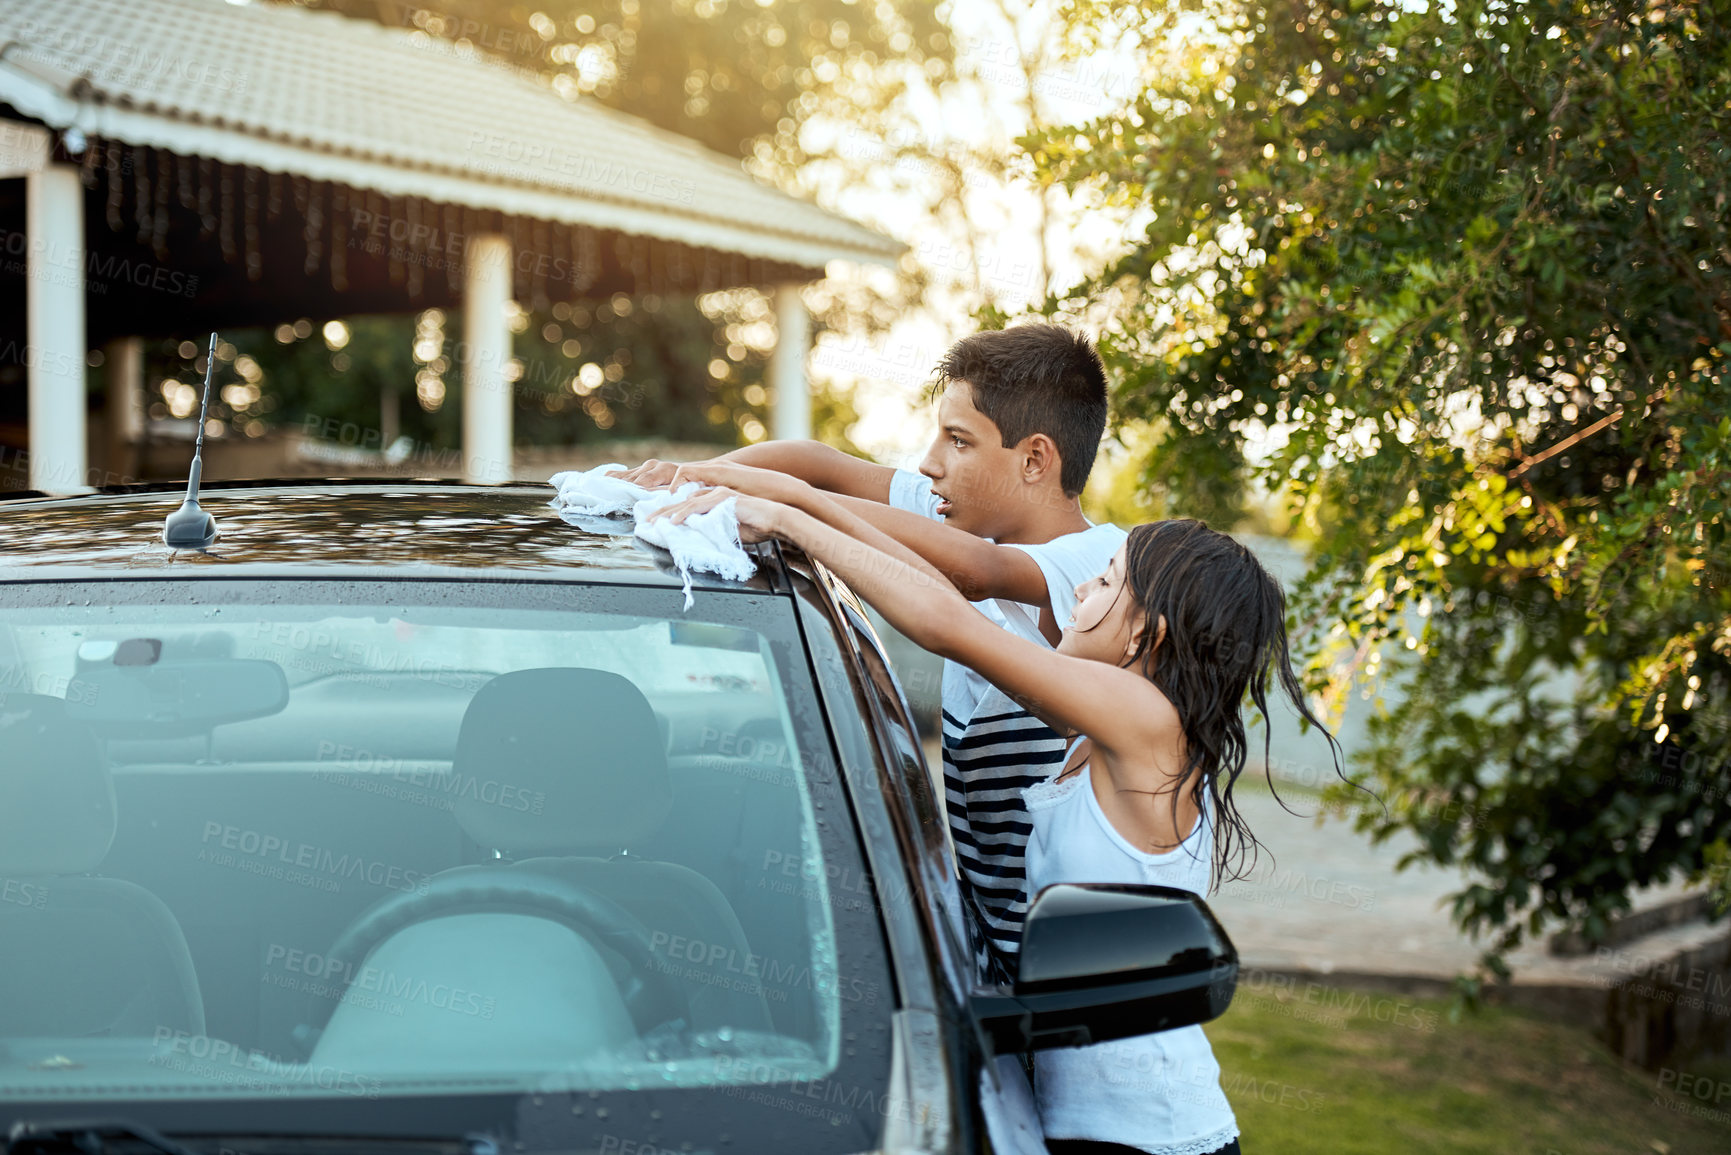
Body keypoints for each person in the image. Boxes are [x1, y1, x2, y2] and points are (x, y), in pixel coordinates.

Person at [647, 488, 1344, 1155]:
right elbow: (937, 593)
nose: (1078, 592)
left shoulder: (1145, 726)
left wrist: (790, 518)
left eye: (1103, 584)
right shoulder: (1101, 728)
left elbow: (948, 626)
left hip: (1146, 1132)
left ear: (1145, 633)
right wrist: (798, 513)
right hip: (1080, 1117)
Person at [615, 323, 1126, 980]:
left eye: (958, 441)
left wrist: (789, 508)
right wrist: (695, 479)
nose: (928, 462)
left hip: (1074, 977)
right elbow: (817, 462)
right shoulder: (959, 506)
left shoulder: (1096, 566)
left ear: (1034, 461)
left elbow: (971, 573)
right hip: (992, 960)